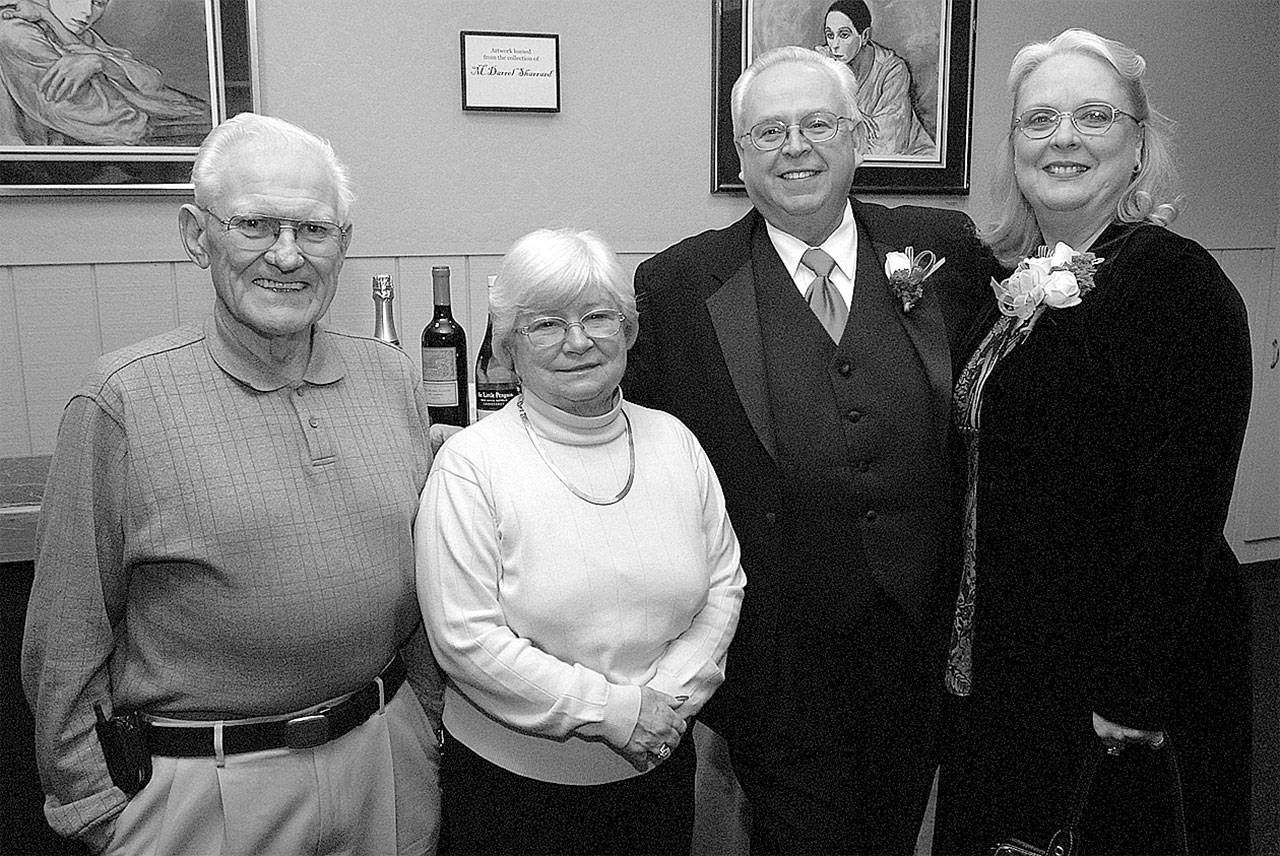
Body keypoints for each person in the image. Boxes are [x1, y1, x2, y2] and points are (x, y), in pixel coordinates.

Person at [22, 113, 443, 855]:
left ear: (343, 243)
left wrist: (424, 731)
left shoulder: (393, 379)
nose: (287, 255)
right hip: (204, 793)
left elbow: (430, 584)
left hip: (386, 762)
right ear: (196, 235)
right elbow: (65, 638)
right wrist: (96, 808)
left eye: (314, 230)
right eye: (255, 225)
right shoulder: (121, 400)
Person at [624, 45, 994, 853]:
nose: (795, 146)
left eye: (817, 123)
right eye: (769, 132)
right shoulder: (680, 284)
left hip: (916, 641)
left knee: (896, 829)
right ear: (741, 154)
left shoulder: (946, 251)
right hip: (776, 654)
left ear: (857, 135)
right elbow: (632, 442)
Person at [932, 28, 1253, 856]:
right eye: (1039, 120)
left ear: (1139, 147)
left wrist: (1130, 691)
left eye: (1094, 116)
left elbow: (1182, 508)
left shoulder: (1173, 284)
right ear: (1013, 147)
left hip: (1109, 683)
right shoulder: (1014, 280)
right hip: (1011, 659)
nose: (1063, 138)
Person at [416, 227, 745, 855]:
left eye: (597, 317)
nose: (577, 341)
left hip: (658, 773)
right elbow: (465, 638)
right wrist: (618, 714)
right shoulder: (471, 464)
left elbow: (724, 586)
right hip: (513, 798)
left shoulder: (674, 440)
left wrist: (662, 705)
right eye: (545, 324)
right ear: (507, 346)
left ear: (628, 331)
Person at [0, 0, 208, 146]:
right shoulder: (16, 34)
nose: (86, 12)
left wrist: (100, 63)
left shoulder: (76, 33)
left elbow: (152, 81)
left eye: (98, 2)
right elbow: (113, 121)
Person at [821, 0, 934, 157]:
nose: (834, 45)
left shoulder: (892, 70)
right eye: (830, 35)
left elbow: (888, 144)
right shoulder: (821, 64)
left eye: (844, 35)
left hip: (910, 164)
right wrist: (854, 116)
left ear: (865, 35)